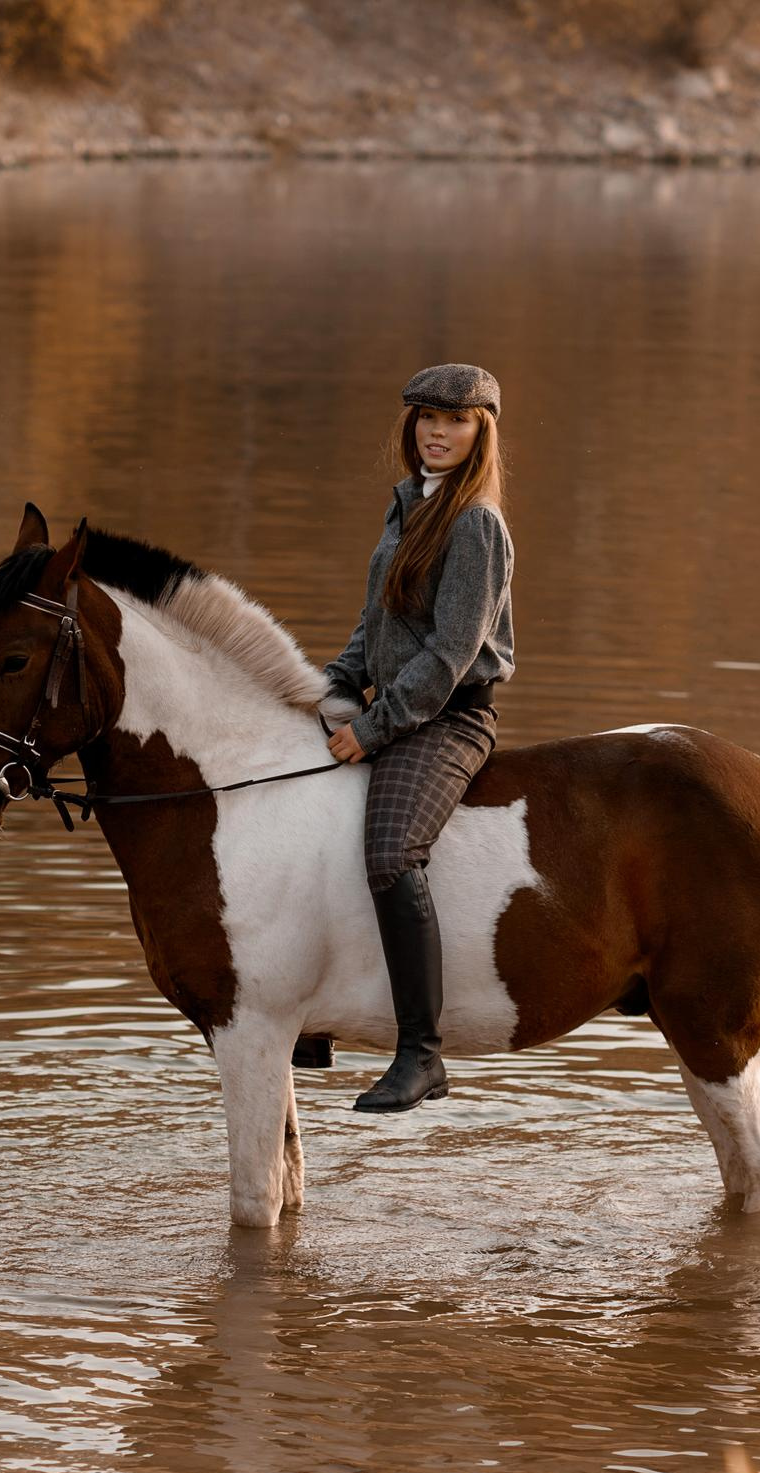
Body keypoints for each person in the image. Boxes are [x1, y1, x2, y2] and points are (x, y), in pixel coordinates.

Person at [322, 363, 517, 1114]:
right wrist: (336, 684)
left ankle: (421, 1053)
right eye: (426, 418)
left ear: (480, 433)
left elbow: (449, 653)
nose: (437, 431)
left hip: (449, 716)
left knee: (391, 848)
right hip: (396, 702)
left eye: (455, 420)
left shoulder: (476, 523)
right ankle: (315, 1015)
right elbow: (380, 621)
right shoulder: (408, 502)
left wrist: (370, 729)